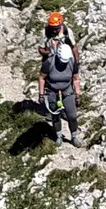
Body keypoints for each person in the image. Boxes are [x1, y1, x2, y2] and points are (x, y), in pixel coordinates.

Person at [40, 10, 81, 139]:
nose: (54, 30)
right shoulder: (45, 32)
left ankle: (67, 117)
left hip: (67, 61)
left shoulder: (68, 32)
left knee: (72, 115)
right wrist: (48, 52)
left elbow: (74, 47)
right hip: (51, 62)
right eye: (52, 28)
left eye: (56, 28)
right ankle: (56, 115)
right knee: (51, 85)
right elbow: (40, 49)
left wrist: (76, 62)